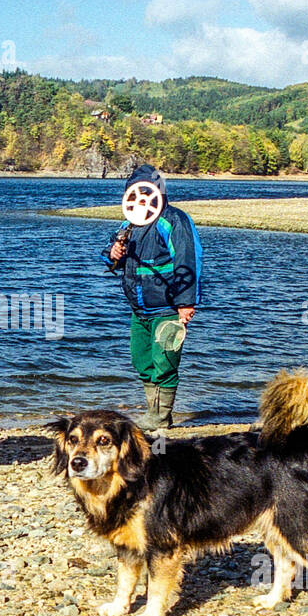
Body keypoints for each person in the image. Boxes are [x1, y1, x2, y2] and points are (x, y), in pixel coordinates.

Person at [103, 165, 203, 430]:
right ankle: (155, 413)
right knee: (141, 359)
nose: (142, 197)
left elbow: (188, 261)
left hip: (168, 308)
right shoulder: (128, 224)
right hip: (140, 310)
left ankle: (159, 419)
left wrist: (186, 303)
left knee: (165, 361)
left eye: (148, 190)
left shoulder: (174, 221)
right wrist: (113, 254)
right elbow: (108, 257)